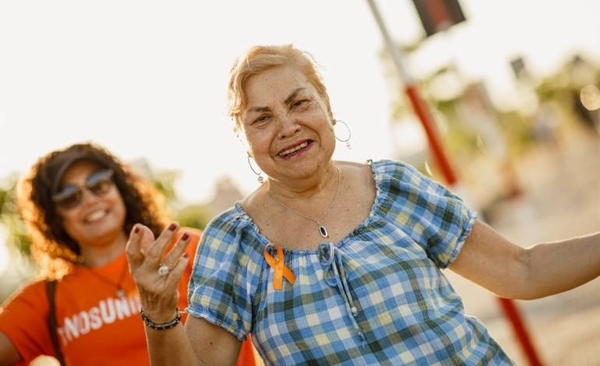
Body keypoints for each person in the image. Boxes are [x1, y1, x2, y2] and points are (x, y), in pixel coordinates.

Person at [125, 44, 600, 366]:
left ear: (327, 106)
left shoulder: (395, 186)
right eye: (262, 118)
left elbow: (522, 269)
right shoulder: (232, 240)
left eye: (299, 103)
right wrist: (159, 307)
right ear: (244, 139)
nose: (287, 126)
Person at [0, 142, 257, 366]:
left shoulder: (188, 248)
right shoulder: (46, 299)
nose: (90, 199)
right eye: (70, 197)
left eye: (98, 184)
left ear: (120, 188)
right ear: (53, 218)